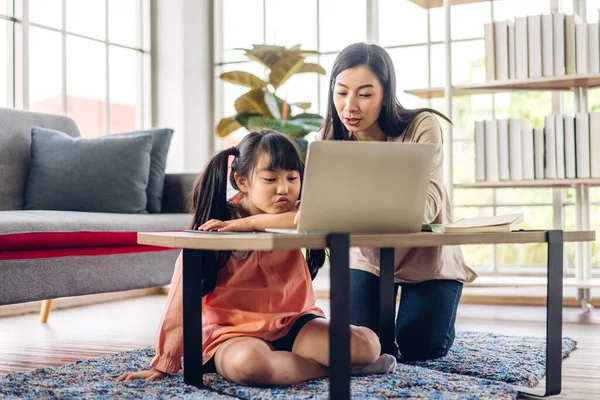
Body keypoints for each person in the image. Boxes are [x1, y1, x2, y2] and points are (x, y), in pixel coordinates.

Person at [116, 130, 396, 386]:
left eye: (292, 178)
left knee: (367, 344)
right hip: (233, 333)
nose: (284, 189)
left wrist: (248, 224)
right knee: (250, 366)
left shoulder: (298, 215)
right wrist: (165, 362)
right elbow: (181, 294)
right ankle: (337, 369)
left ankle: (321, 363)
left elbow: (308, 217)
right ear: (242, 181)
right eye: (270, 179)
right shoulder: (217, 225)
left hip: (293, 323)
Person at [315, 42, 477, 361]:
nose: (350, 106)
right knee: (362, 345)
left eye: (364, 94)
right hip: (367, 259)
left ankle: (434, 313)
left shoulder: (421, 126)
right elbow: (322, 208)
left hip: (427, 259)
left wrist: (350, 209)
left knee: (420, 346)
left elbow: (428, 207)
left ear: (386, 94)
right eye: (341, 92)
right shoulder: (329, 138)